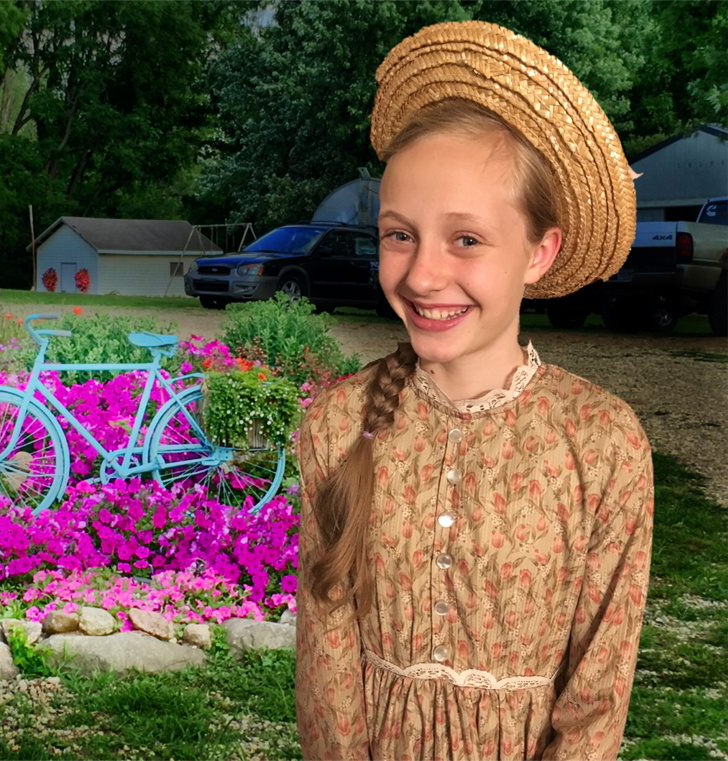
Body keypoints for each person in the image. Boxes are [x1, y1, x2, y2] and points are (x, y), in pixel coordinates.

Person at [295, 20, 653, 761]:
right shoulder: (337, 423)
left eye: (466, 239)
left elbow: (597, 698)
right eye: (400, 234)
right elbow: (327, 666)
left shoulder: (602, 443)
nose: (423, 275)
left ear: (539, 252)